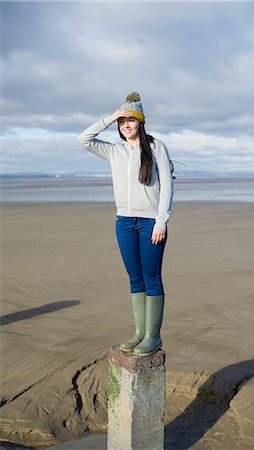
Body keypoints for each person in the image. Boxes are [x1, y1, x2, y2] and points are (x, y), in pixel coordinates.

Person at [77, 92, 174, 356]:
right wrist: (110, 118)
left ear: (141, 123)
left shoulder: (156, 148)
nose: (126, 125)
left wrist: (161, 221)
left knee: (151, 277)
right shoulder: (114, 150)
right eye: (122, 122)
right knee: (135, 278)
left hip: (150, 223)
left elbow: (167, 185)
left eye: (130, 120)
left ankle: (153, 337)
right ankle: (139, 333)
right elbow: (83, 139)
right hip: (124, 222)